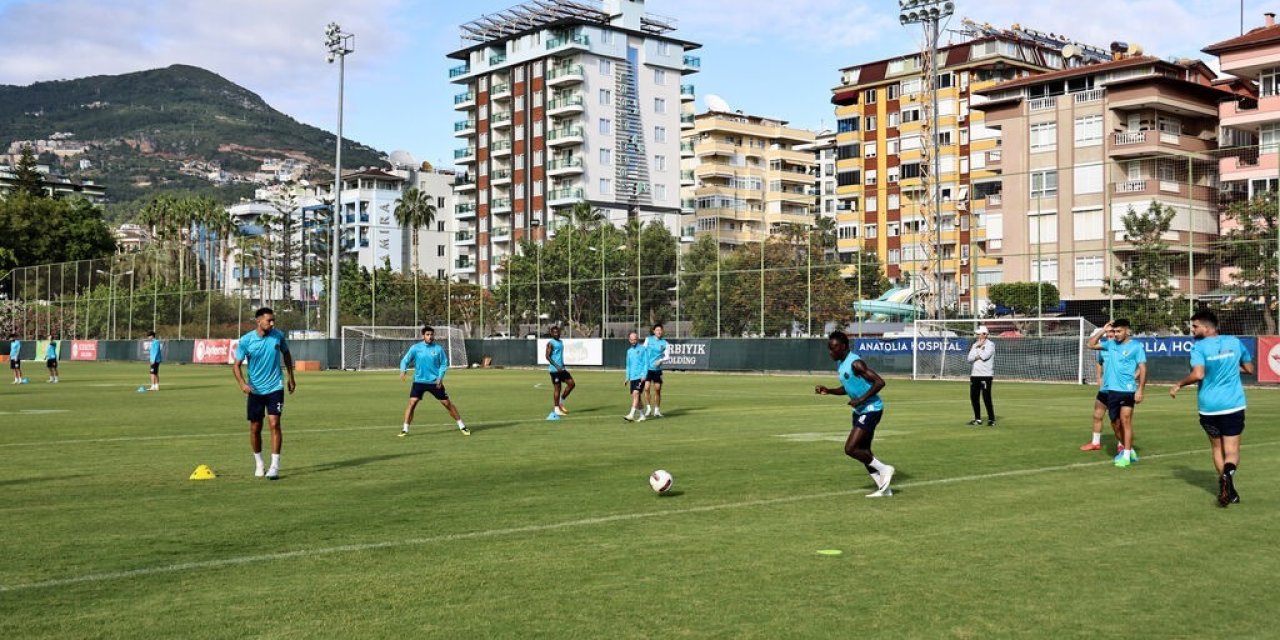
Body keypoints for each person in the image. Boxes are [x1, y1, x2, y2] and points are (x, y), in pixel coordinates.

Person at [1170, 310, 1253, 507]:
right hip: (1233, 405)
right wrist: (1232, 367)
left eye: (1195, 326)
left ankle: (1226, 487)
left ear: (1207, 328)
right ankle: (1228, 478)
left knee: (1217, 448)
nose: (1193, 329)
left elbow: (1198, 374)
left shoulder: (1199, 347)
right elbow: (1249, 369)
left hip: (1209, 407)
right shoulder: (1234, 342)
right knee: (1231, 450)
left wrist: (1178, 384)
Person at [815, 330, 896, 498]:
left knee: (850, 448)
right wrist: (829, 390)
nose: (830, 352)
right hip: (859, 411)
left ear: (843, 347)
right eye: (829, 348)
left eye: (833, 348)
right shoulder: (841, 364)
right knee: (863, 450)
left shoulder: (856, 363)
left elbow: (880, 382)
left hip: (872, 409)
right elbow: (848, 388)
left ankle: (885, 469)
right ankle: (884, 488)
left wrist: (860, 400)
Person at [231, 307, 296, 480]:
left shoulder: (278, 336)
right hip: (256, 390)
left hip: (276, 387)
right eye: (269, 320)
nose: (272, 323)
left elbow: (287, 354)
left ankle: (275, 466)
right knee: (255, 427)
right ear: (258, 321)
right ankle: (259, 463)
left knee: (274, 424)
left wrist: (291, 377)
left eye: (273, 320)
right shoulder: (246, 341)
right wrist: (242, 384)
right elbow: (236, 366)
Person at [1087, 319, 1147, 467]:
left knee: (1125, 420)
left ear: (1127, 330)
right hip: (1112, 391)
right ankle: (1129, 449)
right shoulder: (1110, 345)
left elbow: (1143, 368)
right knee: (1115, 423)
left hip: (1127, 390)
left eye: (1119, 331)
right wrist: (1103, 329)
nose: (1116, 334)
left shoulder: (1136, 347)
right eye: (1114, 331)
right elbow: (1090, 345)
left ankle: (1126, 456)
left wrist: (1140, 389)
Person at [399, 325, 469, 437]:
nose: (430, 337)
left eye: (431, 334)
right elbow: (405, 360)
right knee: (412, 403)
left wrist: (440, 377)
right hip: (419, 381)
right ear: (423, 336)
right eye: (427, 334)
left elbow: (443, 364)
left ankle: (462, 426)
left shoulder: (438, 349)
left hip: (435, 382)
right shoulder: (415, 348)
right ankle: (405, 429)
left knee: (447, 403)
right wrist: (403, 370)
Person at [1081, 326, 1123, 451]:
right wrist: (1098, 377)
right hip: (1104, 389)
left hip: (1118, 390)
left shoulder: (1122, 347)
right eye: (1108, 332)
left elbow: (1138, 366)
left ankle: (1122, 445)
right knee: (1097, 415)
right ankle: (1095, 443)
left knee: (1118, 420)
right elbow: (1099, 361)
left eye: (1112, 331)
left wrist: (1131, 379)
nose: (1110, 334)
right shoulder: (1104, 347)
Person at [966, 325, 996, 426]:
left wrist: (977, 354)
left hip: (985, 375)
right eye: (977, 334)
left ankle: (991, 419)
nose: (977, 336)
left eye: (979, 334)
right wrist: (977, 351)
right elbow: (969, 359)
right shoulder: (974, 344)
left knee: (986, 398)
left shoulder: (990, 345)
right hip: (974, 375)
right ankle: (977, 419)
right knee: (974, 397)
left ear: (985, 334)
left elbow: (985, 356)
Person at [544, 325, 574, 420]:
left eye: (558, 332)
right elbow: (547, 356)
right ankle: (556, 409)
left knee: (571, 384)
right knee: (558, 388)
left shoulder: (561, 342)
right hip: (554, 370)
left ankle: (561, 402)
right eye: (555, 332)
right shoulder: (550, 343)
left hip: (562, 369)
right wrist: (557, 366)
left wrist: (562, 365)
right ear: (551, 333)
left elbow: (559, 356)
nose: (557, 334)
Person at [643, 323, 671, 417]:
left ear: (662, 331)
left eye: (660, 330)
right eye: (657, 330)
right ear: (654, 331)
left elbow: (667, 356)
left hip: (657, 369)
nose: (659, 331)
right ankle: (648, 409)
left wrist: (660, 360)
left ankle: (657, 410)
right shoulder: (648, 339)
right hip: (647, 368)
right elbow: (643, 350)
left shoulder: (665, 343)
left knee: (657, 389)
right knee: (646, 388)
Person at [623, 331, 648, 422]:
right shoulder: (629, 352)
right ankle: (642, 415)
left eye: (635, 339)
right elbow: (628, 365)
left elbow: (646, 363)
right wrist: (627, 377)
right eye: (632, 340)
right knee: (636, 397)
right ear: (629, 340)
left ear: (637, 339)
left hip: (640, 376)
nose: (634, 341)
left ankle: (631, 414)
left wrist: (644, 375)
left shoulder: (643, 349)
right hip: (633, 377)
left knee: (636, 393)